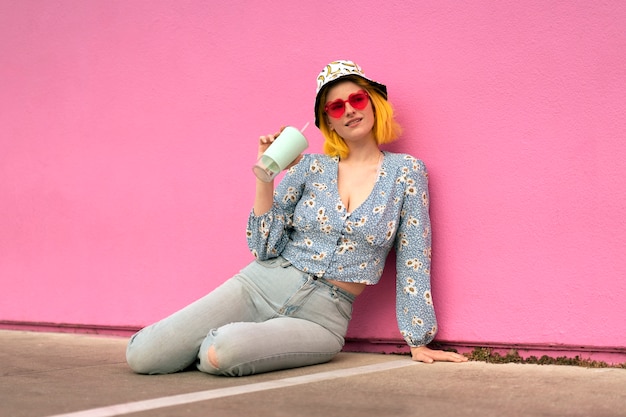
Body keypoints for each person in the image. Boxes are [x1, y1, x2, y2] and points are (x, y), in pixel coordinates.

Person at [126, 60, 468, 377]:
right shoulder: (309, 167)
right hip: (260, 284)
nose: (349, 110)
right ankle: (192, 346)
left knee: (222, 351)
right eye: (336, 106)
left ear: (373, 103)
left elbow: (414, 255)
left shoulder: (406, 172)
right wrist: (265, 177)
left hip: (323, 318)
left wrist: (417, 338)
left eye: (357, 99)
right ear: (328, 120)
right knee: (143, 356)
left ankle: (210, 346)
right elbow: (263, 247)